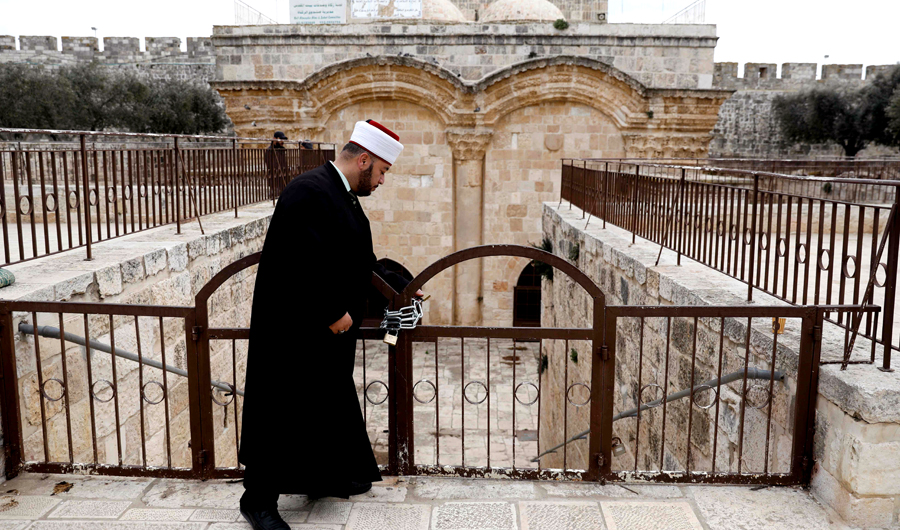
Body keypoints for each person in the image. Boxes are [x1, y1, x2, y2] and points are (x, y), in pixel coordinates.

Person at [238, 120, 420, 530]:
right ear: (364, 159)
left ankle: (319, 478)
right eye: (383, 171)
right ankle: (258, 500)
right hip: (294, 334)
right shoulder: (309, 191)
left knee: (319, 407)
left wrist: (401, 285)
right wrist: (333, 314)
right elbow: (297, 263)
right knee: (281, 411)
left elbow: (359, 261)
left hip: (322, 336)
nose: (383, 180)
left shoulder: (342, 196)